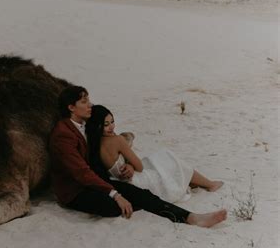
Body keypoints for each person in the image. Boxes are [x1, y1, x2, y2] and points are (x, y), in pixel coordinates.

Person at [49, 85, 227, 227]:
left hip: (98, 179)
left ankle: (190, 218)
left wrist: (130, 166)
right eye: (84, 102)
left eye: (89, 100)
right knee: (114, 205)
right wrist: (115, 194)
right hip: (76, 191)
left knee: (142, 194)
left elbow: (113, 145)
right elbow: (81, 173)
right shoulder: (63, 135)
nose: (90, 105)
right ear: (71, 107)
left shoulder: (88, 123)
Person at [85, 104, 224, 203]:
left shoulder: (92, 144)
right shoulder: (117, 140)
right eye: (106, 124)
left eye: (112, 122)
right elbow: (139, 166)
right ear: (97, 125)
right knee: (168, 158)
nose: (112, 126)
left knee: (161, 159)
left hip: (120, 182)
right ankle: (210, 184)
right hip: (137, 181)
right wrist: (132, 166)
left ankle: (195, 182)